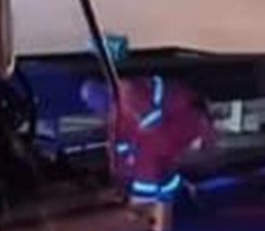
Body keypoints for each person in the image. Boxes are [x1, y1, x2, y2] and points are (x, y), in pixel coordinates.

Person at [82, 71, 217, 203]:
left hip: (184, 120)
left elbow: (150, 124)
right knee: (150, 159)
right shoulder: (116, 112)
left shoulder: (127, 92)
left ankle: (153, 200)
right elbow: (122, 142)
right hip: (175, 129)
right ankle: (172, 196)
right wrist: (122, 173)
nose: (93, 107)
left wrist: (138, 182)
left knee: (147, 157)